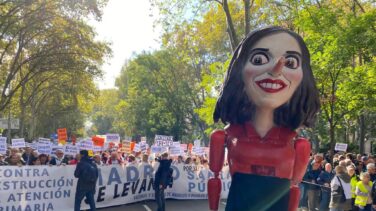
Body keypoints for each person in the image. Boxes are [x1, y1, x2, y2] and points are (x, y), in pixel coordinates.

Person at [208, 26, 320, 211]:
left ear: (303, 77)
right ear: (239, 69)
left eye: (290, 62)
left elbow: (294, 187)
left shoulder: (298, 144)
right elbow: (214, 177)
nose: (276, 70)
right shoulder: (224, 136)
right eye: (259, 59)